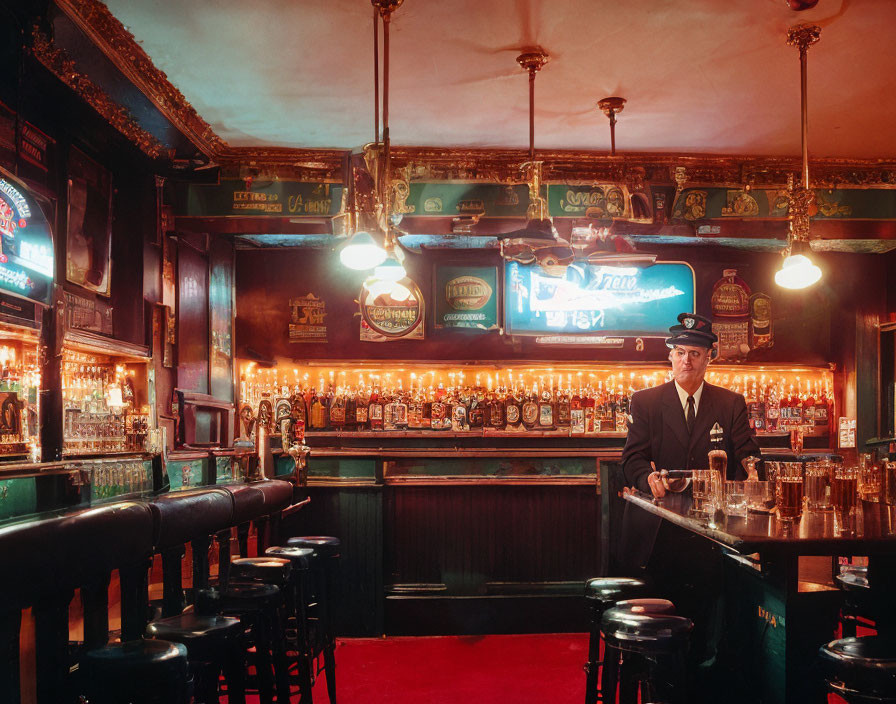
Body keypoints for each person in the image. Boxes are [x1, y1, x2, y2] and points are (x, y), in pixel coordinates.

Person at [617, 312, 761, 698]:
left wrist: (752, 471)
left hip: (711, 532)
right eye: (680, 352)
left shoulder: (730, 404)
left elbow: (749, 454)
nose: (687, 361)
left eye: (695, 354)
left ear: (708, 358)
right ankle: (659, 683)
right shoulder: (646, 402)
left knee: (708, 618)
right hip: (660, 532)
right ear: (670, 356)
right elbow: (631, 459)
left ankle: (702, 682)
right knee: (665, 620)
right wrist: (647, 478)